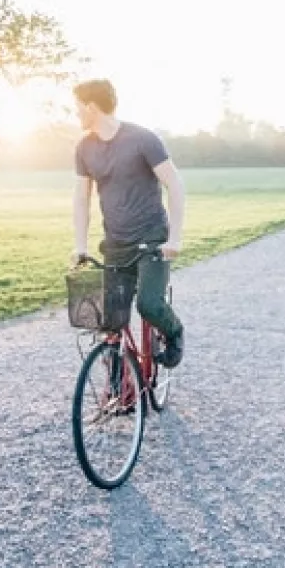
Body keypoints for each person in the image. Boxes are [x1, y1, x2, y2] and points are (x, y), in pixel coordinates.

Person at [70, 78, 186, 368]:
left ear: (92, 107)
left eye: (78, 108)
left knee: (148, 305)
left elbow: (174, 184)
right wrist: (80, 246)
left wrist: (175, 238)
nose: (76, 114)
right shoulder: (84, 147)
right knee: (109, 323)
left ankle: (175, 333)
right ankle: (121, 389)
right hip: (115, 244)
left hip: (151, 239)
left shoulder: (142, 139)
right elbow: (81, 199)